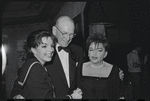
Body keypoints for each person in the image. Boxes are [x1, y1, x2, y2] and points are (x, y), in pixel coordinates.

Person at [11, 16, 124, 99]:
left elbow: (85, 72)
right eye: (64, 33)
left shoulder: (77, 51)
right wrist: (16, 94)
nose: (68, 38)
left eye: (71, 34)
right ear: (54, 31)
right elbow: (22, 78)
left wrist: (113, 73)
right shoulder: (44, 54)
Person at [11, 29, 56, 99]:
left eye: (52, 45)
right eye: (44, 46)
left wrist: (16, 96)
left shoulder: (30, 63)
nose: (51, 50)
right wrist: (70, 97)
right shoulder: (35, 68)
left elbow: (17, 85)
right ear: (33, 50)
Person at [78, 33, 124, 99]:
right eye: (91, 50)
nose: (94, 53)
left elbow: (118, 93)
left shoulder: (114, 70)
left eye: (99, 50)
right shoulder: (79, 68)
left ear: (105, 54)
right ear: (88, 52)